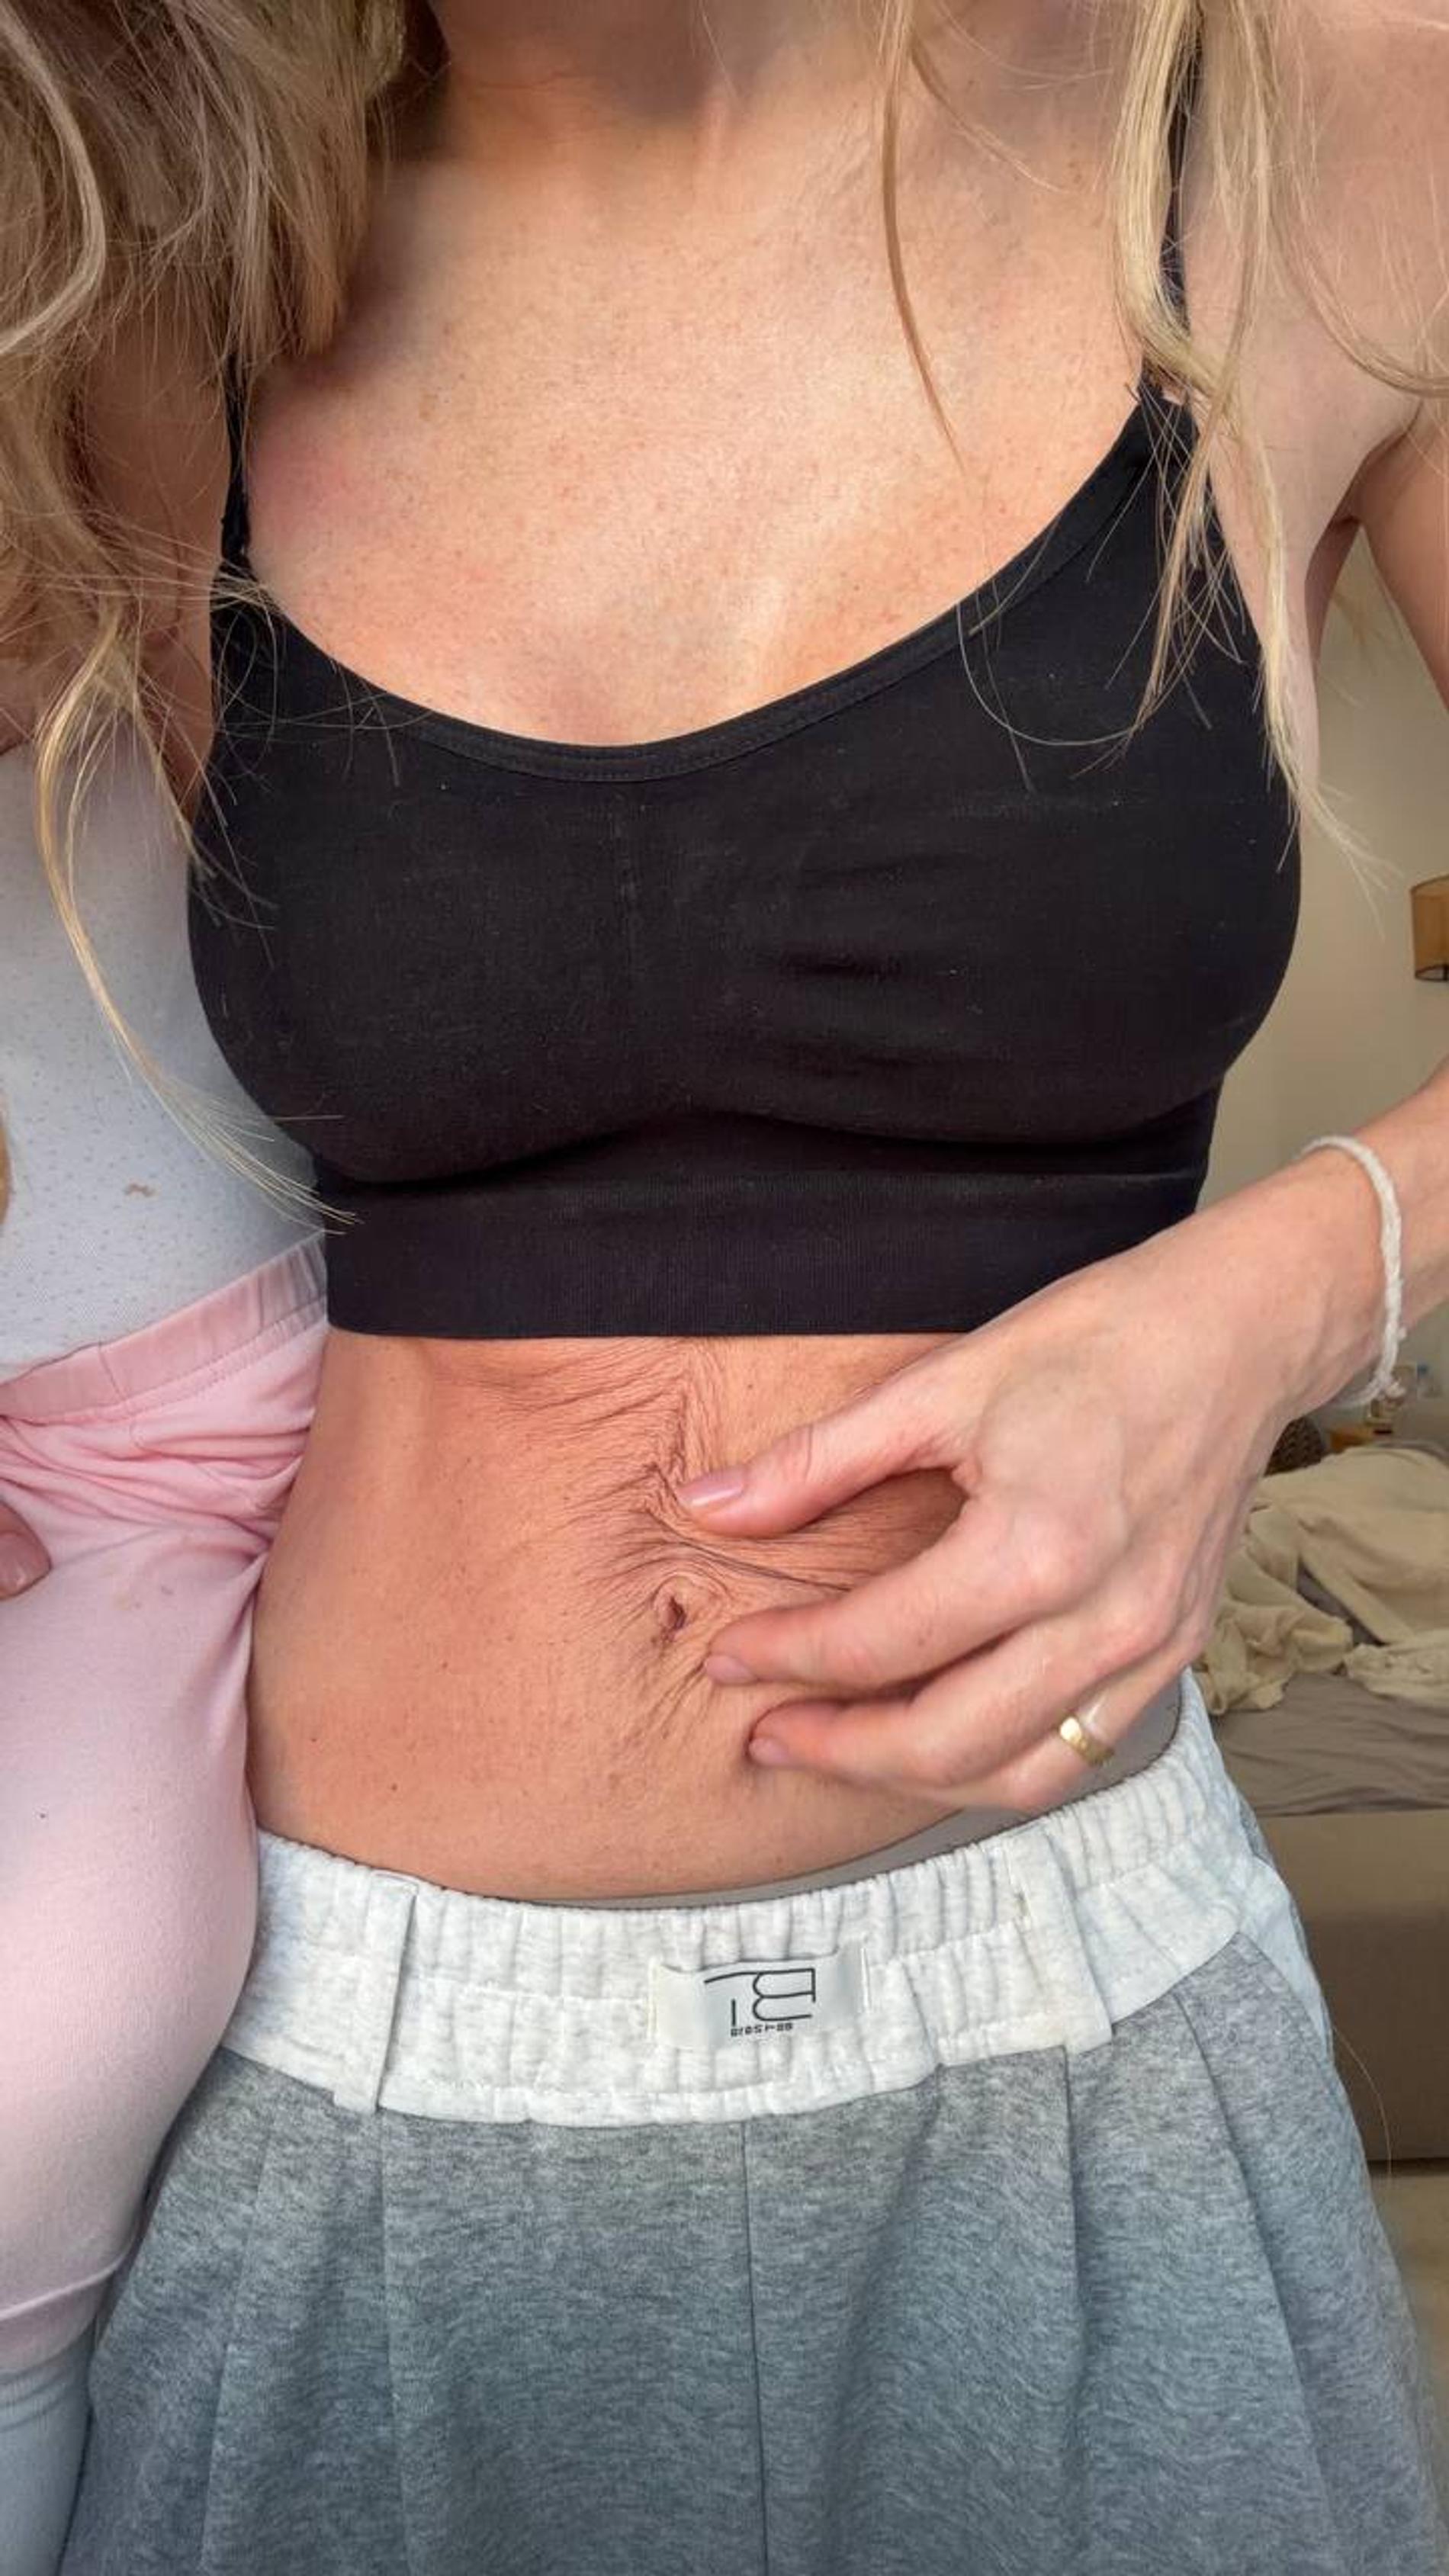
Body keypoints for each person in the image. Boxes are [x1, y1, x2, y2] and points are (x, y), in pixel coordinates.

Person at [2, 3, 1447, 2569]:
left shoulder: (1304, 114)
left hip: (1077, 2042)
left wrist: (1285, 1290)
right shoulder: (160, 289)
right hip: (357, 2091)